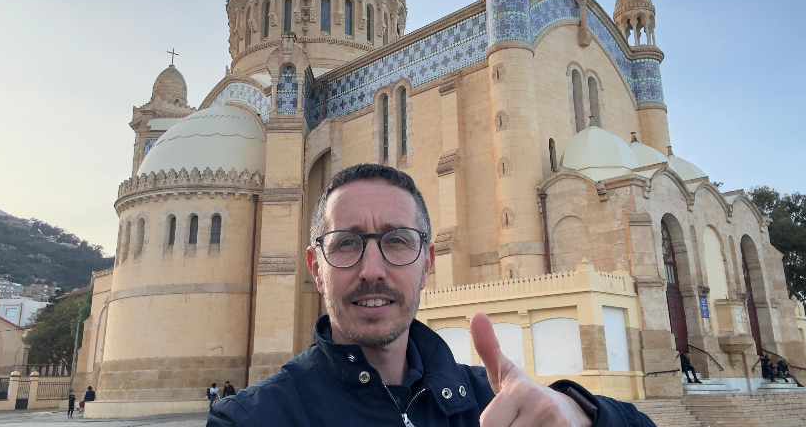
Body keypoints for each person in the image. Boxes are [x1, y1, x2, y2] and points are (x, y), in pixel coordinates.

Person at [208, 164, 656, 427]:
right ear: (316, 269)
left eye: (398, 240)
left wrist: (580, 413)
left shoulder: (486, 403)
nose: (372, 271)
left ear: (428, 262)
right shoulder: (253, 418)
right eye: (346, 242)